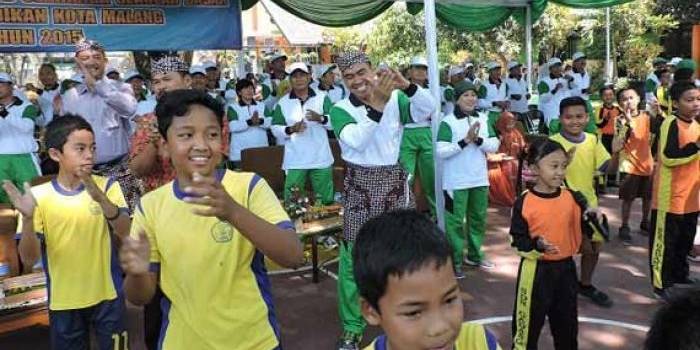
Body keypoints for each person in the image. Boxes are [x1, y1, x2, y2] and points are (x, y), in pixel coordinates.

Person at [120, 89, 304, 350]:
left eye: (212, 134)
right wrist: (137, 274)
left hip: (253, 342)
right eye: (186, 135)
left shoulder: (248, 187)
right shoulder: (151, 206)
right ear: (164, 144)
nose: (201, 145)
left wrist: (233, 211)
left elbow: (294, 255)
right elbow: (139, 296)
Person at [329, 50, 435, 350]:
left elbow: (429, 108)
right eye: (349, 76)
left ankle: (402, 310)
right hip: (360, 188)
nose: (357, 81)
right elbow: (356, 141)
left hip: (393, 183)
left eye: (362, 72)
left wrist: (408, 86)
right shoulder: (339, 109)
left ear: (373, 70)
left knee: (400, 252)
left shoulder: (396, 100)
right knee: (352, 260)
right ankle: (352, 326)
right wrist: (377, 103)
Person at [4, 114, 131, 350]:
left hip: (109, 296)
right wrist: (29, 220)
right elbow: (29, 259)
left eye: (92, 148)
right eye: (80, 148)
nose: (89, 155)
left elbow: (125, 231)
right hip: (64, 301)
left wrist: (102, 201)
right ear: (55, 154)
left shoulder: (107, 186)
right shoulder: (38, 197)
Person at [354, 210, 501, 350]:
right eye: (413, 313)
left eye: (449, 300)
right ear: (371, 311)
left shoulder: (479, 342)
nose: (439, 328)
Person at [127, 55, 191, 350]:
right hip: (156, 216)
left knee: (194, 286)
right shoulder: (146, 121)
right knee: (154, 296)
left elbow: (214, 161)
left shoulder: (207, 117)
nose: (161, 86)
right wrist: (155, 141)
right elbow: (138, 169)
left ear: (186, 81)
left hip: (195, 211)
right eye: (156, 81)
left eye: (168, 79)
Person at [510, 139, 589, 350]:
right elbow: (517, 241)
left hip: (566, 270)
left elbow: (590, 230)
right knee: (526, 331)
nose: (560, 172)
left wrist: (594, 219)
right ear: (535, 167)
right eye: (553, 166)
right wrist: (537, 246)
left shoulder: (572, 198)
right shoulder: (524, 202)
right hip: (535, 272)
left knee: (567, 329)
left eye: (563, 166)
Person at [61, 39, 139, 211]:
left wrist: (98, 86)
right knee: (91, 224)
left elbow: (129, 109)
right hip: (84, 173)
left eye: (96, 57)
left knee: (128, 223)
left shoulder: (122, 88)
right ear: (77, 65)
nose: (90, 61)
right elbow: (65, 135)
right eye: (84, 58)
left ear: (105, 61)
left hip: (120, 171)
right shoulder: (69, 96)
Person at [550, 96, 613, 308]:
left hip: (589, 203)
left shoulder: (592, 140)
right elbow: (544, 172)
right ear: (560, 119)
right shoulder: (554, 142)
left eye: (579, 116)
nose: (574, 121)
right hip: (561, 204)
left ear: (587, 118)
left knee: (595, 246)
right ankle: (559, 288)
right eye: (568, 117)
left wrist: (616, 152)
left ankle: (585, 284)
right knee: (568, 249)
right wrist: (560, 164)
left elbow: (604, 165)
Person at [437, 81, 500, 275]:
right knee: (455, 223)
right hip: (455, 182)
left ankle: (474, 255)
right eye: (466, 95)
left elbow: (494, 144)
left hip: (479, 179)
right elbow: (441, 151)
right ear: (457, 99)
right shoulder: (447, 121)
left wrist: (478, 140)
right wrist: (464, 141)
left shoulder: (482, 117)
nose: (471, 98)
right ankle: (454, 261)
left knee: (478, 219)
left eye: (473, 95)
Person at [649, 82, 699, 300]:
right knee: (664, 244)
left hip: (691, 198)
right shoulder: (670, 123)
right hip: (669, 198)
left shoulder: (697, 125)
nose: (696, 103)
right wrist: (696, 147)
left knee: (684, 242)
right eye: (690, 100)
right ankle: (661, 284)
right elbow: (669, 156)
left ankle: (680, 275)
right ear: (676, 103)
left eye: (698, 99)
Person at [270, 62, 335, 204]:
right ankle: (294, 225)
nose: (298, 79)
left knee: (325, 200)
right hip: (295, 158)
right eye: (294, 76)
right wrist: (291, 129)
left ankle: (329, 225)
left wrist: (321, 118)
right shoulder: (283, 102)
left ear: (309, 77)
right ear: (290, 80)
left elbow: (334, 123)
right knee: (292, 201)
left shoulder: (322, 97)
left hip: (320, 156)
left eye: (302, 75)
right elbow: (275, 128)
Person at [0, 72, 41, 277]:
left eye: (1, 84)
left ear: (10, 86)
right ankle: (8, 269)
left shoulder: (26, 106)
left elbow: (27, 127)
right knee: (3, 216)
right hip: (0, 160)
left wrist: (4, 113)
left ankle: (34, 268)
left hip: (24, 159)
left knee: (31, 211)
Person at [613, 86, 654, 244]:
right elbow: (619, 142)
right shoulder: (619, 120)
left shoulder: (647, 116)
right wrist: (628, 123)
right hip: (628, 165)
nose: (628, 101)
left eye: (631, 98)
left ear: (638, 99)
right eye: (624, 99)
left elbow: (650, 136)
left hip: (647, 163)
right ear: (620, 104)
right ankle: (624, 226)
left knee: (647, 197)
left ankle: (645, 221)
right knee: (628, 199)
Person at [400, 55, 436, 216]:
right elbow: (402, 114)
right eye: (417, 68)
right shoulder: (400, 92)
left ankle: (437, 216)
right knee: (406, 177)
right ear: (409, 71)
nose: (421, 72)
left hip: (428, 132)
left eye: (424, 69)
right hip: (406, 133)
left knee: (432, 177)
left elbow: (436, 113)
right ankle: (405, 214)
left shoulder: (433, 89)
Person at [228, 78, 271, 169]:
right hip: (240, 154)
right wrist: (249, 122)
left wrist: (260, 121)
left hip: (261, 150)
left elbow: (271, 122)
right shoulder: (233, 107)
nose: (249, 91)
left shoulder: (262, 105)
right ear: (239, 92)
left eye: (251, 88)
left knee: (261, 180)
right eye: (245, 88)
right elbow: (232, 127)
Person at [487, 111, 527, 207]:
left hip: (513, 158)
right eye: (508, 122)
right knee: (507, 168)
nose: (511, 125)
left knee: (516, 165)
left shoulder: (516, 133)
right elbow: (491, 152)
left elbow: (523, 147)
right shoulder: (496, 134)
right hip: (498, 161)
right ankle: (508, 197)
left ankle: (516, 195)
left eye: (512, 122)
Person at [538, 58, 571, 133]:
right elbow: (543, 99)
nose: (558, 68)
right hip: (552, 116)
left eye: (559, 66)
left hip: (565, 114)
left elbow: (569, 95)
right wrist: (554, 90)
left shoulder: (565, 79)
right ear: (550, 69)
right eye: (555, 66)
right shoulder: (544, 81)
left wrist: (571, 81)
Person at [478, 61, 509, 136]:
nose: (498, 72)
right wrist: (495, 103)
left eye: (499, 70)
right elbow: (479, 103)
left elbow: (506, 97)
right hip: (489, 115)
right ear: (490, 72)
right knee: (491, 136)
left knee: (503, 137)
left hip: (502, 115)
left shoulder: (504, 84)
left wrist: (506, 103)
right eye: (495, 70)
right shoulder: (484, 85)